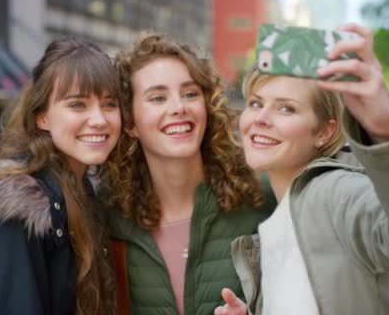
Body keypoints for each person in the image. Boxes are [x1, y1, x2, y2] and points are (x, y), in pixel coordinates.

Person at [214, 23, 389, 315]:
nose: (261, 118)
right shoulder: (281, 214)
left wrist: (386, 129)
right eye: (255, 103)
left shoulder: (336, 192)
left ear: (325, 132)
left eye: (285, 108)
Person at [98, 33, 273, 315]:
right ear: (130, 123)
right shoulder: (106, 214)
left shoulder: (260, 196)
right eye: (157, 97)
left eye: (190, 93)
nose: (179, 108)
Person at [0, 38, 121, 315]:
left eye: (110, 104)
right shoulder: (16, 209)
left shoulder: (80, 189)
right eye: (78, 105)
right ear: (42, 117)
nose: (99, 119)